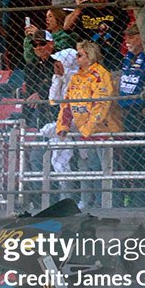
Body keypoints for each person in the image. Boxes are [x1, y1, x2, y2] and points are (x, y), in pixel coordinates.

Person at [56, 40, 121, 209]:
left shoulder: (101, 75)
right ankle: (93, 204)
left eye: (79, 55)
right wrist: (62, 127)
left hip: (104, 131)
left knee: (105, 170)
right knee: (91, 168)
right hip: (85, 132)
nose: (76, 58)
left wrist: (87, 128)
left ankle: (109, 206)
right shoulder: (77, 77)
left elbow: (102, 105)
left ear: (89, 56)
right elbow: (67, 104)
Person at [117, 23, 145, 207]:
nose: (128, 40)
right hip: (129, 113)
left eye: (132, 37)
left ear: (143, 38)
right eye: (127, 37)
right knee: (131, 157)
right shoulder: (127, 58)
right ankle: (134, 198)